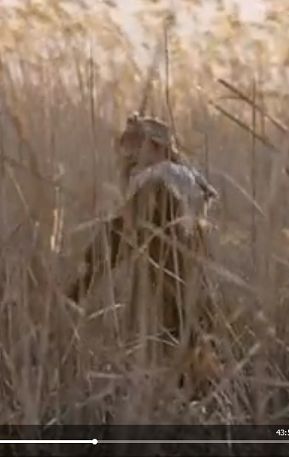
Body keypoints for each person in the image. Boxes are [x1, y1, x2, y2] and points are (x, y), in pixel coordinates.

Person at [68, 114, 220, 394]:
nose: (128, 154)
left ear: (159, 148)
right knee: (196, 366)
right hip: (195, 291)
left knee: (162, 371)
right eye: (126, 144)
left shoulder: (155, 183)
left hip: (161, 291)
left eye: (137, 144)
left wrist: (78, 288)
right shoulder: (189, 184)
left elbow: (116, 238)